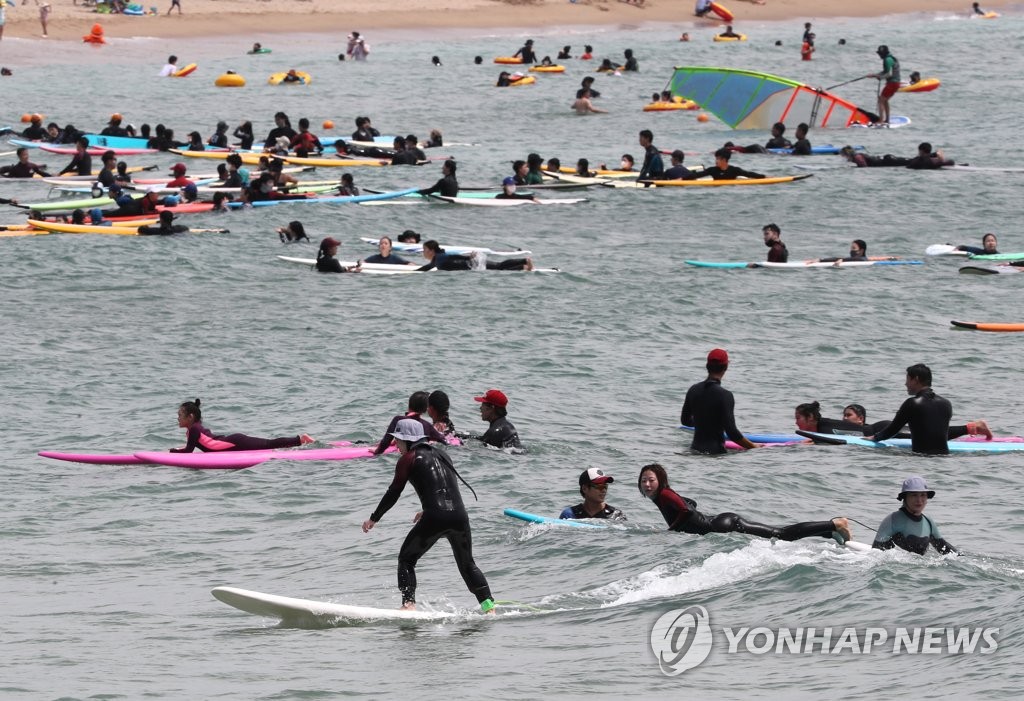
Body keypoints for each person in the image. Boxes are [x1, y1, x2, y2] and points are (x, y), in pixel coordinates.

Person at [361, 419, 495, 614]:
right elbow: (446, 489)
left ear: (408, 439)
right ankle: (489, 607)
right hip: (459, 516)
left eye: (398, 440)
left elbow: (394, 492)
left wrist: (374, 518)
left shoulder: (408, 458)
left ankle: (409, 605)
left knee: (406, 559)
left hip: (435, 517)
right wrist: (427, 509)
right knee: (468, 564)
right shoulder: (444, 455)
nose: (396, 445)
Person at [639, 464, 853, 542]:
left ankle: (834, 524)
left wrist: (671, 530)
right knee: (780, 534)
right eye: (644, 480)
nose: (647, 484)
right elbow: (690, 502)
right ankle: (828, 533)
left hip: (725, 526)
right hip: (720, 522)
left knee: (782, 535)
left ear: (661, 481)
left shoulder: (665, 494)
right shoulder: (664, 496)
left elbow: (685, 509)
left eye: (651, 480)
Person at [680, 349, 757, 454]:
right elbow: (732, 432)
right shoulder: (725, 395)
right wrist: (754, 447)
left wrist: (703, 422)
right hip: (716, 455)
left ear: (707, 366)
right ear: (726, 367)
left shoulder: (693, 389)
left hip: (694, 450)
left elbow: (685, 421)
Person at [170, 398, 313, 453]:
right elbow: (190, 447)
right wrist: (177, 449)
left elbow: (189, 451)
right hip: (233, 441)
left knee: (269, 444)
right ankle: (299, 440)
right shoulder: (193, 430)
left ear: (190, 417)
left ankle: (300, 440)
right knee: (268, 443)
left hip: (235, 441)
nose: (178, 419)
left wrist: (173, 452)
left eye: (180, 416)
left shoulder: (194, 429)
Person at [867, 364, 952, 454]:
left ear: (916, 379)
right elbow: (940, 431)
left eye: (907, 379)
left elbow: (893, 429)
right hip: (944, 457)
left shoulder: (912, 403)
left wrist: (875, 437)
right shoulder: (946, 403)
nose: (905, 383)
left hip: (921, 459)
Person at [873, 476, 958, 555]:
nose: (919, 500)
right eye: (914, 495)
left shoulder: (928, 522)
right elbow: (876, 552)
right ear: (905, 497)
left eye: (923, 495)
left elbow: (943, 547)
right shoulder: (892, 520)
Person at [373, 391, 450, 455]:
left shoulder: (397, 420)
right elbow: (443, 440)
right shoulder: (426, 425)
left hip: (404, 455)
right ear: (424, 410)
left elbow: (386, 441)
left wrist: (377, 452)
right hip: (420, 455)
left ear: (409, 405)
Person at [417, 240, 532, 272]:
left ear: (431, 250)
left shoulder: (440, 257)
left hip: (473, 264)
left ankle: (524, 261)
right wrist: (413, 272)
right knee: (499, 268)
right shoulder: (437, 259)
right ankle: (523, 266)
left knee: (499, 266)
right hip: (472, 265)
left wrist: (468, 258)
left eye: (425, 249)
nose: (423, 252)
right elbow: (427, 267)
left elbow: (454, 256)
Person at [560, 468, 626, 521]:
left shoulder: (616, 515)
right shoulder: (569, 515)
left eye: (605, 486)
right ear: (584, 488)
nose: (604, 490)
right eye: (599, 487)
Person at [869, 45, 901, 126]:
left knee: (881, 100)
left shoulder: (887, 60)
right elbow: (885, 72)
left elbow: (888, 74)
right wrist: (874, 75)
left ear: (884, 53)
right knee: (885, 100)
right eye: (879, 53)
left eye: (880, 53)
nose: (879, 55)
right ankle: (887, 120)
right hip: (896, 83)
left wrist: (879, 77)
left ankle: (881, 121)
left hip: (892, 83)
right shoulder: (891, 58)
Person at [699, 148, 765, 180]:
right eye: (716, 159)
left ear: (724, 160)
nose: (716, 161)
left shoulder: (734, 170)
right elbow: (698, 175)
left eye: (718, 159)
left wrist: (764, 177)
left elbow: (748, 174)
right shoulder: (712, 170)